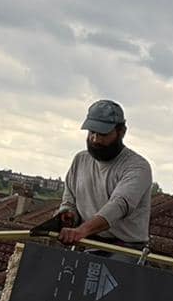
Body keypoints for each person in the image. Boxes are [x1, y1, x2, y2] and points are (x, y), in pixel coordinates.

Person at [56, 99, 152, 247]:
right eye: (92, 132)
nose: (95, 139)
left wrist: (81, 231)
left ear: (121, 132)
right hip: (87, 240)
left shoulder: (137, 167)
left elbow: (118, 205)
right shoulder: (80, 160)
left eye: (103, 134)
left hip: (125, 247)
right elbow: (69, 201)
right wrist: (68, 215)